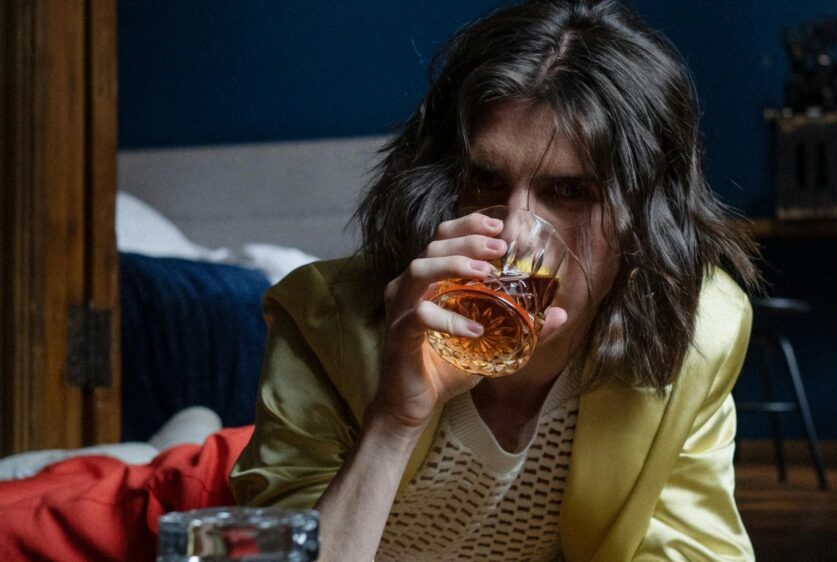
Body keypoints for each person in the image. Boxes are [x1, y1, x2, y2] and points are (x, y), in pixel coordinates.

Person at [229, 1, 760, 560]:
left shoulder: (699, 328)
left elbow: (693, 549)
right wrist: (393, 420)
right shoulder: (320, 318)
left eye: (570, 192)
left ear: (643, 217)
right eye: (484, 180)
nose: (513, 235)